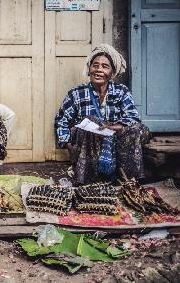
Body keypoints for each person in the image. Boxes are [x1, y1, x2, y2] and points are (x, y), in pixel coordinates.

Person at [54, 44, 150, 186]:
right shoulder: (77, 93)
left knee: (138, 128)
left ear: (112, 73)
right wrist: (69, 146)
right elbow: (61, 120)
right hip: (88, 142)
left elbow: (133, 117)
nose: (99, 70)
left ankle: (127, 181)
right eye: (95, 65)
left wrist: (110, 128)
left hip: (114, 141)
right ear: (89, 69)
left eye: (105, 66)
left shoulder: (120, 91)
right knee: (92, 121)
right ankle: (90, 181)